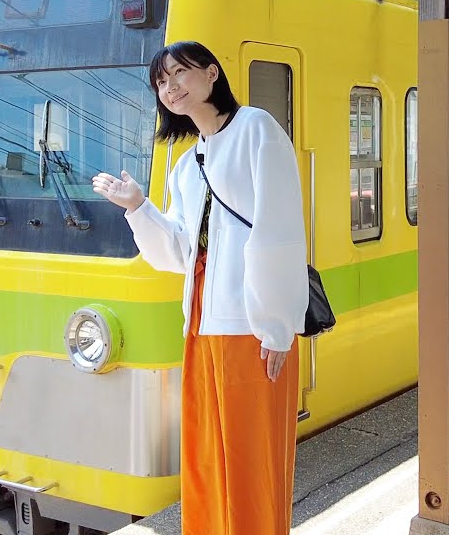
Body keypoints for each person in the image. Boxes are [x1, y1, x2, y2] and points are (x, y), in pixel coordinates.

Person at [92, 40, 307, 535]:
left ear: (212, 74)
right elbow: (177, 253)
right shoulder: (188, 163)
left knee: (252, 463)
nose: (170, 88)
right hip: (202, 323)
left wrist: (276, 329)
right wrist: (138, 208)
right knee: (207, 458)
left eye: (178, 74)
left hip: (250, 324)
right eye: (161, 83)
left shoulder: (257, 130)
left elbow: (278, 230)